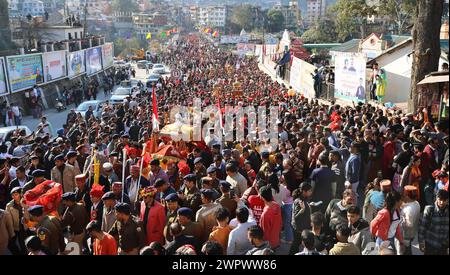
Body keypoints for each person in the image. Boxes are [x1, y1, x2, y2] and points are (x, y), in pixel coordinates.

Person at [418, 189, 449, 255]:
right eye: (440, 199)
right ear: (436, 198)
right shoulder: (430, 210)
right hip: (430, 245)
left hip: (443, 246)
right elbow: (423, 227)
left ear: (447, 200)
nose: (442, 202)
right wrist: (421, 242)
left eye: (444, 200)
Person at [290, 182, 313, 255]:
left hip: (301, 226)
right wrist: (302, 210)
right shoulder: (299, 201)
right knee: (296, 244)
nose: (311, 192)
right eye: (309, 191)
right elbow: (296, 217)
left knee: (297, 243)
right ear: (304, 191)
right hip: (298, 228)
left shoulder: (303, 198)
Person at [400, 185, 421, 255]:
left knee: (405, 251)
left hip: (406, 235)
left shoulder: (409, 209)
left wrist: (400, 223)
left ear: (407, 196)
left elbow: (409, 224)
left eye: (405, 195)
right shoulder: (417, 203)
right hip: (412, 233)